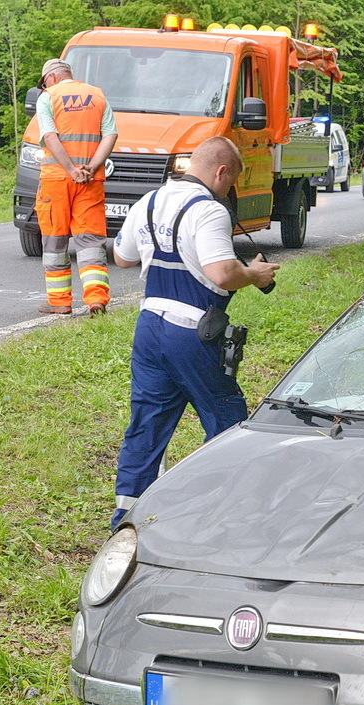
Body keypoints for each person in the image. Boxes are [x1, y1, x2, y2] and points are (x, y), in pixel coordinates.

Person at [109, 137, 280, 528]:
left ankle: (125, 513)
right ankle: (214, 508)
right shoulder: (209, 210)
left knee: (147, 421)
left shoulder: (149, 201)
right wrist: (254, 274)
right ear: (221, 172)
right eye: (230, 182)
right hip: (192, 331)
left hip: (149, 327)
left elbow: (122, 257)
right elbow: (221, 272)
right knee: (227, 419)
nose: (228, 190)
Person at [34, 58, 117, 315]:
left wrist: (71, 170)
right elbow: (110, 135)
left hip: (57, 180)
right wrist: (90, 167)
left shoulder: (48, 97)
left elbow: (50, 137)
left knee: (55, 240)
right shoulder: (97, 96)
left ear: (52, 78)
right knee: (90, 241)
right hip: (90, 181)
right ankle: (96, 300)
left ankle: (59, 303)